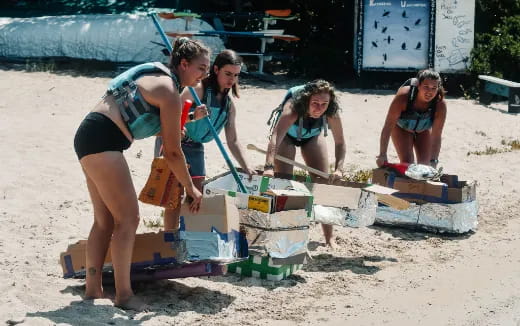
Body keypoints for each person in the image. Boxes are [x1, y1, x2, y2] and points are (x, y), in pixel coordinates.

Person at [73, 38, 210, 310]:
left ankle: (93, 289)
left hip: (90, 134)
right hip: (104, 141)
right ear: (183, 64)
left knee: (105, 221)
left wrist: (188, 120)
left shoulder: (154, 73)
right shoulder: (170, 90)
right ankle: (124, 295)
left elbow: (146, 120)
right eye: (201, 68)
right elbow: (172, 152)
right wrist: (191, 188)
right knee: (129, 219)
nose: (204, 75)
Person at [161, 49, 256, 230]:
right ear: (216, 69)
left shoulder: (229, 105)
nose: (231, 80)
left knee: (196, 196)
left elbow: (233, 140)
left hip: (196, 147)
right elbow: (170, 116)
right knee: (174, 196)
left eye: (236, 75)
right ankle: (169, 240)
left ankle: (188, 237)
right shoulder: (197, 90)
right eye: (228, 74)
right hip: (176, 142)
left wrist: (246, 166)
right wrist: (192, 116)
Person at [263, 80, 346, 248]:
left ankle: (329, 238)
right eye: (315, 103)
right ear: (307, 100)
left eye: (324, 104)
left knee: (323, 184)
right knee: (285, 182)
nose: (319, 108)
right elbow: (275, 137)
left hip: (312, 136)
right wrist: (269, 167)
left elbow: (340, 143)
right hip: (286, 137)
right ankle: (282, 231)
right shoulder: (294, 107)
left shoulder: (331, 111)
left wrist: (339, 169)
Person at [376, 69, 447, 169]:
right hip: (401, 128)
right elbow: (388, 126)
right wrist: (382, 155)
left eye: (434, 88)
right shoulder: (403, 97)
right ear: (418, 85)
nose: (429, 92)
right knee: (408, 165)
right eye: (426, 87)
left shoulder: (440, 104)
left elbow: (436, 136)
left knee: (425, 167)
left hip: (423, 130)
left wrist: (434, 161)